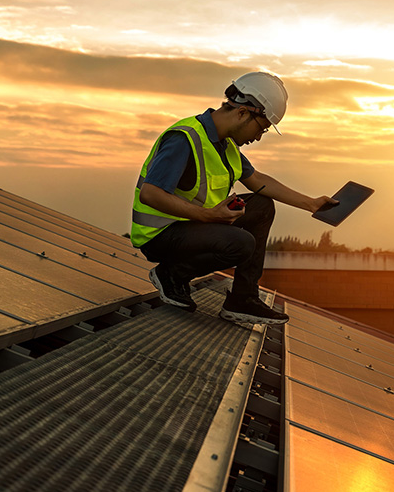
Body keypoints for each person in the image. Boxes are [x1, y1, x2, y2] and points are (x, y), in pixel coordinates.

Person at [130, 72, 337, 324]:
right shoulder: (185, 138)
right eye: (261, 127)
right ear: (242, 113)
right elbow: (150, 194)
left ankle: (243, 299)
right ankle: (171, 275)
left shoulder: (226, 146)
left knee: (261, 206)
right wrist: (208, 215)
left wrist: (311, 203)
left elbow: (259, 181)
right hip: (160, 235)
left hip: (192, 228)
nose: (259, 136)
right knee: (241, 243)